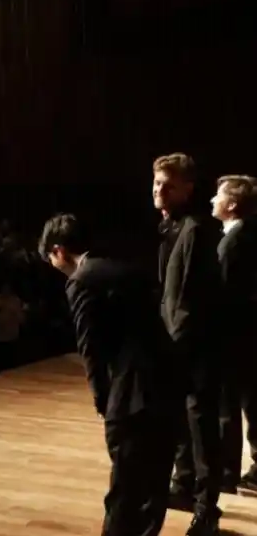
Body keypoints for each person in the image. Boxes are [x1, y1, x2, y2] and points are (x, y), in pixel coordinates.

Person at [39, 213, 178, 536]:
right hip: (167, 378)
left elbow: (91, 349)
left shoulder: (82, 279)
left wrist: (103, 400)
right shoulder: (126, 268)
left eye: (50, 258)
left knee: (125, 486)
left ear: (58, 250)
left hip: (132, 391)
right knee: (156, 479)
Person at [153, 152, 223, 535]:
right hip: (176, 344)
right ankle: (182, 487)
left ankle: (206, 509)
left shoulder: (196, 228)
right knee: (180, 421)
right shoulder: (169, 227)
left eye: (168, 185)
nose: (160, 190)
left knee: (200, 427)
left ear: (188, 189)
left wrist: (175, 347)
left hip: (195, 348)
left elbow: (191, 299)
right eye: (157, 183)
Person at [211, 174, 257, 490]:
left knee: (232, 405)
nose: (212, 200)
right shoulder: (245, 236)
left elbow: (223, 292)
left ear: (231, 204)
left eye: (218, 196)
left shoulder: (233, 242)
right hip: (247, 334)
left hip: (236, 336)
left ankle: (227, 473)